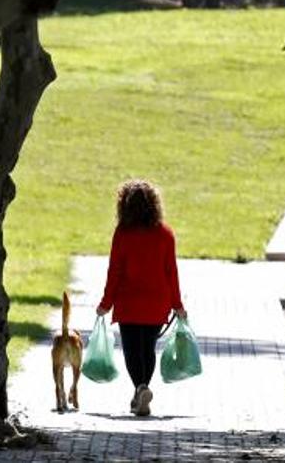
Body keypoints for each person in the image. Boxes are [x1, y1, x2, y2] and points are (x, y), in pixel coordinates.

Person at [95, 179, 186, 417]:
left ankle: (140, 388)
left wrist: (106, 303)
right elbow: (171, 272)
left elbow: (114, 271)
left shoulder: (122, 233)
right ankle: (142, 392)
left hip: (129, 302)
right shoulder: (165, 234)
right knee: (148, 349)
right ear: (154, 205)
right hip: (157, 302)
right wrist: (178, 305)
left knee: (132, 351)